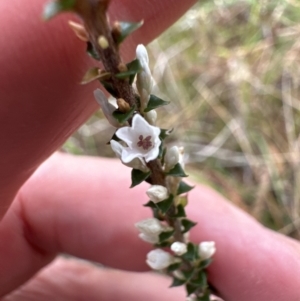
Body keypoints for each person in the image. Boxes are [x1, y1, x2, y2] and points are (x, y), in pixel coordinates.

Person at [1, 0, 300, 300]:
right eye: (142, 141)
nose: (146, 142)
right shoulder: (136, 144)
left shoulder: (148, 139)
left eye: (148, 140)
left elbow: (149, 142)